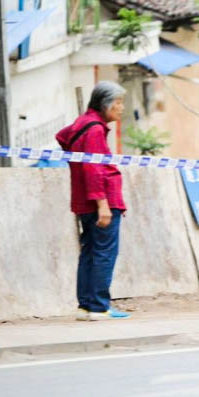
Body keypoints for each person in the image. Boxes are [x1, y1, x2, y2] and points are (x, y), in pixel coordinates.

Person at [56, 81, 130, 321]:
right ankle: (98, 307)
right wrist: (103, 205)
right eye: (118, 102)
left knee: (89, 252)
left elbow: (62, 137)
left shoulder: (82, 124)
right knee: (103, 253)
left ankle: (86, 306)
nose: (121, 108)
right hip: (101, 202)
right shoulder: (95, 129)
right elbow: (93, 169)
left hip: (83, 200)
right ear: (104, 104)